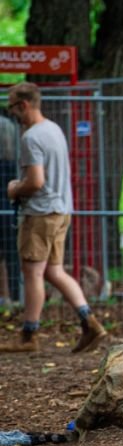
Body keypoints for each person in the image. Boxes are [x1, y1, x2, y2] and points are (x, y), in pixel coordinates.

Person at [1, 83, 107, 354]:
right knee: (54, 271)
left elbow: (36, 181)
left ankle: (28, 337)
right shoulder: (54, 129)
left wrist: (14, 188)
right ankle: (90, 323)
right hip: (61, 209)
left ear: (23, 105)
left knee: (33, 273)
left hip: (40, 213)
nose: (11, 112)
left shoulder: (31, 137)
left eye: (12, 106)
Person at [0, 110, 19, 306]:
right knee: (11, 254)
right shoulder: (13, 166)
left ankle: (7, 295)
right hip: (11, 211)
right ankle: (13, 295)